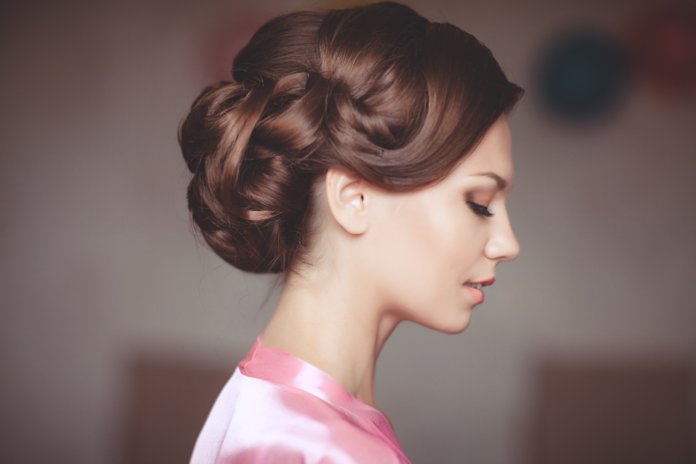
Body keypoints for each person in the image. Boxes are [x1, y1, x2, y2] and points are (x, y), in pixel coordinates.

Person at [178, 2, 524, 462]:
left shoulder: (275, 407)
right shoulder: (315, 447)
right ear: (353, 198)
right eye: (478, 203)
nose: (508, 244)